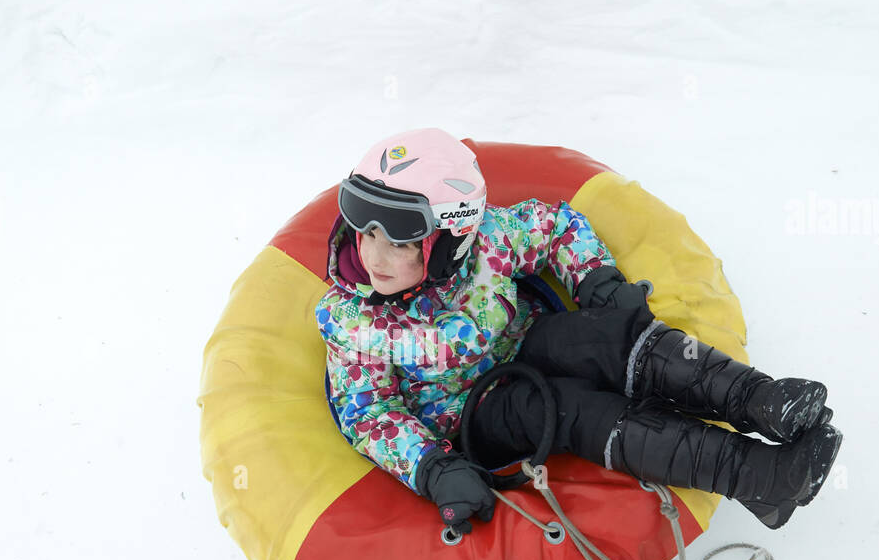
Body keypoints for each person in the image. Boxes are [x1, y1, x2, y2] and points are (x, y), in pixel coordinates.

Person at [314, 127, 842, 533]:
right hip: (468, 413)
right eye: (366, 229)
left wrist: (595, 278)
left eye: (401, 242)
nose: (375, 255)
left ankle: (760, 401)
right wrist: (431, 468)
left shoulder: (488, 243)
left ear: (451, 240)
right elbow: (369, 415)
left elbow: (556, 226)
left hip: (523, 341)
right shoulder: (352, 323)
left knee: (607, 335)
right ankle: (756, 477)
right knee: (569, 409)